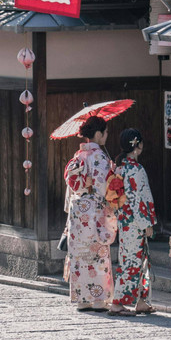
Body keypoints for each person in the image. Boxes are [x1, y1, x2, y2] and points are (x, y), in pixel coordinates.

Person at [63, 115, 117, 312]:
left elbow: (72, 186)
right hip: (94, 211)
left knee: (79, 255)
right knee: (97, 255)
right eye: (105, 132)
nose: (106, 135)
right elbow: (104, 187)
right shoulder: (99, 157)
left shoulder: (78, 156)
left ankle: (82, 298)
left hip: (78, 212)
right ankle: (98, 299)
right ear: (97, 134)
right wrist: (114, 173)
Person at [107, 128, 158, 316]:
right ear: (138, 145)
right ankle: (118, 303)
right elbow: (139, 199)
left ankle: (142, 301)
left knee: (137, 259)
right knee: (131, 262)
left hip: (124, 220)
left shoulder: (119, 168)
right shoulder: (136, 170)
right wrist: (147, 224)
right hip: (135, 222)